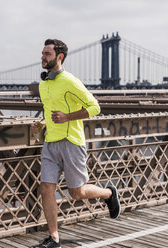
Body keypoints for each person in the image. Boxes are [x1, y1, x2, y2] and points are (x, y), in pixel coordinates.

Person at [30, 39, 120, 248]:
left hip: (71, 142)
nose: (43, 57)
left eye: (47, 54)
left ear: (59, 57)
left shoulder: (70, 81)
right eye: (42, 53)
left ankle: (109, 193)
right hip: (51, 143)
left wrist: (68, 117)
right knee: (46, 188)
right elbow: (52, 111)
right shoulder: (44, 85)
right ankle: (54, 239)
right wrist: (43, 122)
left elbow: (95, 107)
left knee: (76, 193)